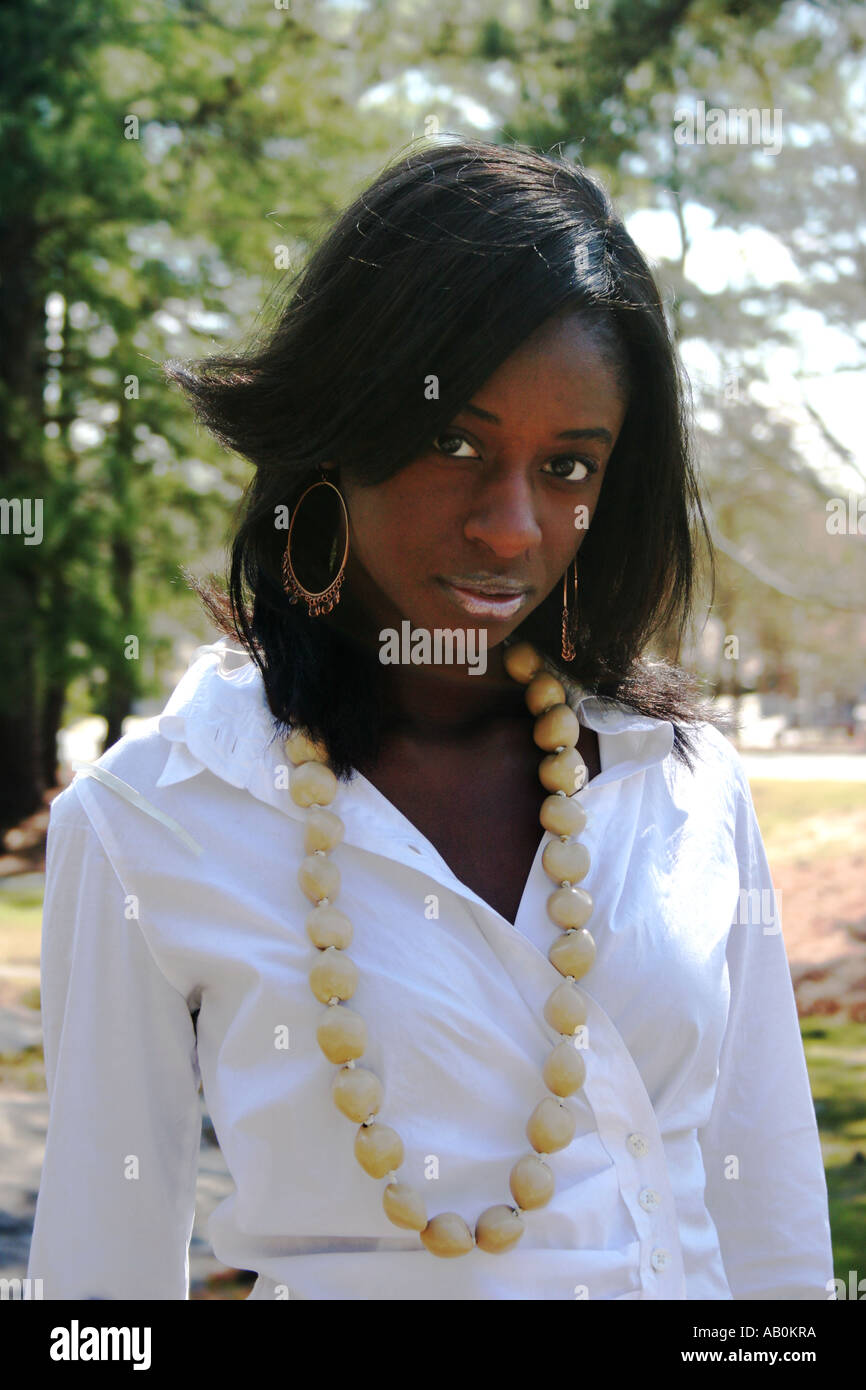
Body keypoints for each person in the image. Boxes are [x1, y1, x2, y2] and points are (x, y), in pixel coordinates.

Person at [27, 137, 833, 1300]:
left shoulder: (683, 780)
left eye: (566, 467)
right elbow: (99, 1291)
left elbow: (771, 1229)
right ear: (335, 432)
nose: (510, 527)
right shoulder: (149, 821)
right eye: (454, 442)